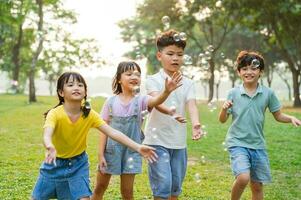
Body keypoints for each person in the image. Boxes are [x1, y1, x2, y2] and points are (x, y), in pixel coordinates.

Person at [31, 72, 158, 200]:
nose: (76, 87)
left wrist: (137, 147)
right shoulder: (55, 113)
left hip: (78, 164)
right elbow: (47, 132)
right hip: (53, 164)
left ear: (85, 92)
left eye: (80, 85)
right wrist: (49, 146)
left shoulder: (89, 114)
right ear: (61, 92)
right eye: (70, 85)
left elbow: (112, 132)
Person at [92, 61, 186, 200]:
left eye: (137, 74)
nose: (134, 76)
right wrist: (101, 154)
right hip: (111, 150)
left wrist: (166, 91)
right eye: (129, 74)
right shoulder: (110, 102)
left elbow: (157, 100)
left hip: (132, 151)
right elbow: (103, 130)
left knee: (127, 191)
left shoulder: (142, 100)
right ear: (119, 79)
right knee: (100, 187)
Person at [219, 50, 301, 200]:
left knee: (257, 186)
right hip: (237, 143)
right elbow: (222, 120)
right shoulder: (233, 93)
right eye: (244, 68)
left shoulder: (268, 93)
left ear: (261, 71)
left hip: (258, 145)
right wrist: (224, 109)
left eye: (253, 68)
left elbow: (278, 115)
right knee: (243, 178)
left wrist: (290, 118)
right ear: (238, 72)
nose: (248, 72)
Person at [143, 29, 204, 200]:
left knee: (175, 187)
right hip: (156, 141)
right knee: (163, 186)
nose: (175, 58)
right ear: (159, 56)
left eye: (179, 54)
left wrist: (196, 124)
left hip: (178, 142)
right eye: (170, 53)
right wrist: (170, 110)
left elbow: (191, 104)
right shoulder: (153, 80)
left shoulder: (188, 83)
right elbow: (155, 101)